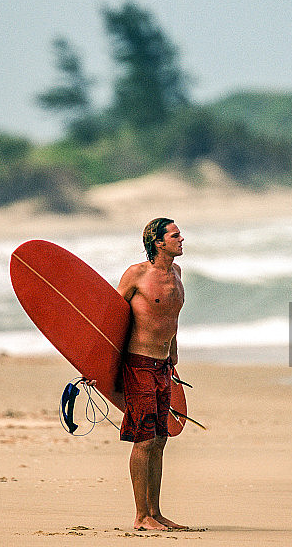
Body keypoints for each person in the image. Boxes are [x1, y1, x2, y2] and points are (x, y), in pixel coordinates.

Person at [116, 217, 186, 531]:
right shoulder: (136, 275)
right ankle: (140, 516)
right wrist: (97, 365)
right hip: (139, 364)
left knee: (160, 439)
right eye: (175, 234)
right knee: (143, 440)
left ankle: (155, 513)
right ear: (159, 242)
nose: (181, 238)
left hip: (162, 367)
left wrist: (173, 355)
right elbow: (111, 319)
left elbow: (171, 319)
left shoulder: (178, 274)